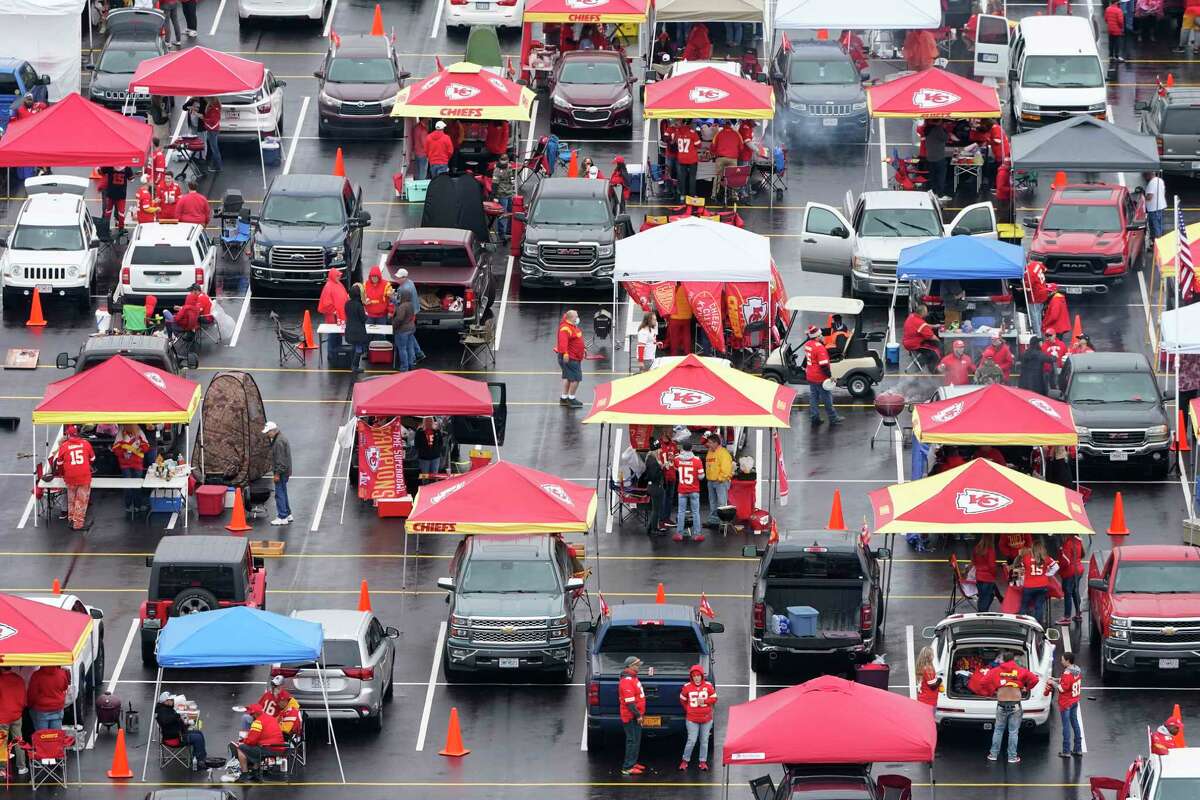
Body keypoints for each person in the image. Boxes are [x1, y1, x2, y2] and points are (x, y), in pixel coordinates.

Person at [985, 650, 1039, 763]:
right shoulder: (1021, 670)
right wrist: (1026, 688)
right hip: (1015, 706)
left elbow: (982, 682)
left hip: (1001, 705)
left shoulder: (995, 671)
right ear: (1013, 659)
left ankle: (993, 754)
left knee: (998, 730)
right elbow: (1035, 680)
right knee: (1013, 732)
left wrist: (993, 690)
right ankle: (1012, 757)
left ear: (1003, 660)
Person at [224, 703, 284, 783]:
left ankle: (244, 774)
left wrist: (242, 741)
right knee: (257, 748)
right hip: (280, 748)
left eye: (251, 714)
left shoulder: (257, 722)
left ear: (254, 714)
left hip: (269, 749)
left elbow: (251, 741)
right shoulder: (272, 719)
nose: (250, 715)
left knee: (241, 748)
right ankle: (255, 771)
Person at [55, 425, 95, 531]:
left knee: (71, 499)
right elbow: (93, 458)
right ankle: (78, 524)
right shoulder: (86, 443)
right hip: (84, 477)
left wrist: (62, 473)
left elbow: (59, 463)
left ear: (68, 435)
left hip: (70, 477)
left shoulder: (64, 446)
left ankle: (71, 519)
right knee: (81, 501)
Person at [679, 664, 717, 771]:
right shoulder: (687, 687)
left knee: (704, 741)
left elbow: (714, 698)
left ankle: (702, 762)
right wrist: (689, 709)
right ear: (691, 676)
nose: (696, 677)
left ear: (701, 676)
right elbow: (682, 699)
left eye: (698, 675)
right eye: (694, 675)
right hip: (692, 719)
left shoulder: (708, 686)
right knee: (691, 740)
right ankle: (685, 761)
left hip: (706, 719)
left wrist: (705, 701)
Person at [155, 693, 208, 771]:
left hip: (176, 734)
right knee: (198, 738)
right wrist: (177, 716)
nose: (173, 701)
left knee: (199, 733)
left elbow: (173, 723)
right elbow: (165, 721)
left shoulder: (166, 709)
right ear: (165, 702)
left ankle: (200, 758)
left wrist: (186, 724)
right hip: (174, 739)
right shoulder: (162, 712)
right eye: (171, 700)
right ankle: (199, 762)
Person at [803, 325, 843, 427]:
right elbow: (824, 365)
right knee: (827, 398)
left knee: (814, 398)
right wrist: (830, 376)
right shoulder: (820, 348)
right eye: (821, 335)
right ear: (816, 337)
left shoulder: (808, 344)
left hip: (811, 375)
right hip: (820, 377)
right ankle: (833, 418)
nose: (822, 336)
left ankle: (814, 418)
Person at [618, 657, 646, 775]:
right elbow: (630, 702)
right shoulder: (626, 681)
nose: (639, 667)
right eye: (636, 665)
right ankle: (627, 767)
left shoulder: (633, 678)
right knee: (632, 741)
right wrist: (638, 715)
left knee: (636, 740)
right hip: (630, 717)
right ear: (629, 666)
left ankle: (633, 763)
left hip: (635, 716)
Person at [1018, 539, 1058, 622]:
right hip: (1042, 585)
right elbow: (1056, 566)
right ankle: (1037, 625)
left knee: (1024, 606)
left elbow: (1021, 569)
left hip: (1029, 586)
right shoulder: (1045, 558)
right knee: (1039, 606)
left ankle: (1022, 624)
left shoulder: (1026, 558)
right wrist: (1048, 574)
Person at [112, 424, 149, 512]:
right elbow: (115, 449)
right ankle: (128, 506)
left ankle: (138, 505)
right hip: (125, 465)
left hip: (137, 464)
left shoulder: (139, 433)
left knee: (137, 485)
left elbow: (146, 447)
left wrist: (141, 448)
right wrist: (123, 453)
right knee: (127, 486)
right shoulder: (121, 434)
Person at [391, 269, 425, 362]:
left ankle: (414, 357)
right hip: (413, 311)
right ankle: (418, 353)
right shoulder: (410, 282)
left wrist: (391, 297)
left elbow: (398, 302)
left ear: (404, 278)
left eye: (398, 277)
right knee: (410, 333)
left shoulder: (403, 289)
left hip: (406, 313)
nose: (396, 279)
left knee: (407, 334)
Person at [1053, 654, 1083, 757]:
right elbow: (1068, 682)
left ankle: (1066, 751)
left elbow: (1062, 689)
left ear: (1068, 661)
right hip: (1075, 700)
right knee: (1075, 724)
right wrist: (1056, 679)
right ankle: (1078, 749)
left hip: (1066, 703)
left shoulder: (1067, 673)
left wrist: (1053, 683)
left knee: (1066, 726)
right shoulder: (1077, 670)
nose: (1061, 661)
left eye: (1062, 660)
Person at [674, 438, 704, 542]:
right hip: (694, 490)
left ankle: (679, 534)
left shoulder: (677, 459)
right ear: (691, 448)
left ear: (682, 448)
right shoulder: (697, 460)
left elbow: (676, 469)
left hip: (682, 490)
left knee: (681, 512)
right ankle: (697, 535)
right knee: (695, 512)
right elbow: (701, 477)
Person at [263, 421, 292, 526]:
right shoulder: (280, 438)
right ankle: (287, 514)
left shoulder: (278, 442)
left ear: (273, 430)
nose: (267, 434)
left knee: (279, 494)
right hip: (285, 471)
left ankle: (282, 516)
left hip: (281, 472)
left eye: (268, 432)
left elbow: (280, 461)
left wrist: (277, 474)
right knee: (283, 492)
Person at [0, 667, 28, 776]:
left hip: (2, 717)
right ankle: (22, 767)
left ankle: (2, 769)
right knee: (18, 740)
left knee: (2, 742)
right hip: (16, 714)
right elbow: (24, 699)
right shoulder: (19, 679)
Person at [556, 310, 585, 408]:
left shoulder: (571, 326)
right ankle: (571, 398)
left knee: (568, 377)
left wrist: (583, 349)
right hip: (570, 358)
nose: (577, 318)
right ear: (571, 318)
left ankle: (564, 398)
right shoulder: (565, 328)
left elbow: (576, 340)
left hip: (573, 357)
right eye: (576, 316)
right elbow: (563, 343)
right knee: (576, 378)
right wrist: (565, 354)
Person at [27, 666, 69, 732]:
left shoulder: (37, 675)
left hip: (41, 710)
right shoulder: (62, 673)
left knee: (42, 736)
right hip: (57, 708)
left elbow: (32, 694)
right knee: (55, 736)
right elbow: (65, 687)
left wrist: (29, 705)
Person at [703, 433, 732, 527]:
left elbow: (726, 468)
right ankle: (713, 521)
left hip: (720, 482)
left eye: (710, 443)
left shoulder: (723, 453)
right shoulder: (710, 451)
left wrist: (720, 478)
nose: (708, 444)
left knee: (721, 502)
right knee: (712, 502)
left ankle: (723, 522)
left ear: (716, 443)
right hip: (711, 481)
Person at [902, 304, 941, 371]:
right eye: (926, 311)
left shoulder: (912, 316)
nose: (927, 312)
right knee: (935, 351)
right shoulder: (920, 323)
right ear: (923, 313)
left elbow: (924, 325)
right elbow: (932, 337)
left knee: (932, 346)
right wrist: (940, 342)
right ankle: (933, 370)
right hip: (915, 344)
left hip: (907, 341)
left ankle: (922, 362)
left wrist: (934, 326)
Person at [1057, 534, 1085, 624]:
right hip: (1079, 569)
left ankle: (1067, 617)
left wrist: (1059, 568)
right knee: (1075, 592)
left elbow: (1065, 561)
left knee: (1067, 593)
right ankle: (1078, 614)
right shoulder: (1078, 541)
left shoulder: (1068, 544)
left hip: (1070, 572)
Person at [711, 121, 742, 200]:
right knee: (733, 177)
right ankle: (734, 195)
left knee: (718, 176)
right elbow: (741, 147)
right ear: (730, 126)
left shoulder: (719, 133)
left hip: (721, 158)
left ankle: (714, 194)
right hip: (733, 158)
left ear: (724, 125)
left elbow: (713, 146)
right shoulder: (737, 134)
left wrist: (714, 153)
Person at [98, 166, 134, 231]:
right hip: (121, 194)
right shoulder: (127, 168)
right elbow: (132, 179)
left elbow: (100, 171)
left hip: (111, 193)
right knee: (121, 213)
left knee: (108, 211)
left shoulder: (110, 166)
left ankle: (106, 227)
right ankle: (121, 228)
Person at [344, 283, 369, 375]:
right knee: (358, 349)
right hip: (358, 331)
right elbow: (363, 318)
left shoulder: (347, 304)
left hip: (349, 328)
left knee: (353, 347)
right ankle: (355, 366)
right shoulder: (359, 305)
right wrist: (366, 315)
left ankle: (352, 365)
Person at [924, 119, 950, 201]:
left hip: (930, 157)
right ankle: (940, 195)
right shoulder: (938, 129)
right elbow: (946, 138)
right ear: (939, 121)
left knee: (933, 177)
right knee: (941, 176)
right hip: (939, 157)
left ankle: (933, 193)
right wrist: (944, 129)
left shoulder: (927, 129)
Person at [972, 536, 999, 612]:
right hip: (988, 578)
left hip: (979, 576)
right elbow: (992, 566)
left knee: (982, 597)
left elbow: (974, 561)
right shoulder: (990, 550)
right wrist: (994, 575)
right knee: (987, 597)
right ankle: (982, 613)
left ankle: (981, 611)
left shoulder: (977, 548)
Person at [391, 292, 417, 372]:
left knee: (402, 349)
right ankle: (411, 364)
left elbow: (399, 319)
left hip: (402, 330)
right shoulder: (411, 304)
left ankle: (404, 367)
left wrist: (393, 325)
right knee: (410, 348)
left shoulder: (402, 306)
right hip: (411, 328)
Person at [674, 122, 700, 198]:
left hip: (681, 158)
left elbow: (675, 142)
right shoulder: (692, 133)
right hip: (692, 158)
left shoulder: (677, 132)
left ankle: (682, 194)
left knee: (682, 177)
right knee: (692, 177)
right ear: (689, 124)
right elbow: (699, 144)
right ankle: (692, 194)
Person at [492, 153, 516, 238]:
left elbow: (511, 177)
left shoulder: (509, 167)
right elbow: (494, 184)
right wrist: (494, 196)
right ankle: (502, 234)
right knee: (503, 215)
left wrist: (512, 184)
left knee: (511, 213)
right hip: (502, 194)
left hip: (509, 193)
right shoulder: (497, 170)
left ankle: (509, 231)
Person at [667, 285, 693, 356]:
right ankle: (687, 353)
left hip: (675, 316)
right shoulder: (689, 288)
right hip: (687, 316)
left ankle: (674, 354)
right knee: (687, 336)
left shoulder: (674, 289)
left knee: (674, 337)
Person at [1144, 170, 1166, 242]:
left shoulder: (1152, 183)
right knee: (1159, 225)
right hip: (1160, 206)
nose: (1144, 178)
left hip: (1154, 208)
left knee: (1155, 227)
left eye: (1145, 175)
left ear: (1149, 175)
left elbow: (1149, 197)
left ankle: (1157, 243)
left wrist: (1143, 197)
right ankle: (1160, 241)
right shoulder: (1160, 180)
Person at [202, 97, 223, 172]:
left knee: (215, 149)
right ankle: (215, 165)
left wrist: (202, 118)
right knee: (214, 148)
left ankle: (218, 166)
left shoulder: (214, 108)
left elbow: (212, 121)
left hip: (213, 130)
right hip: (213, 130)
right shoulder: (215, 106)